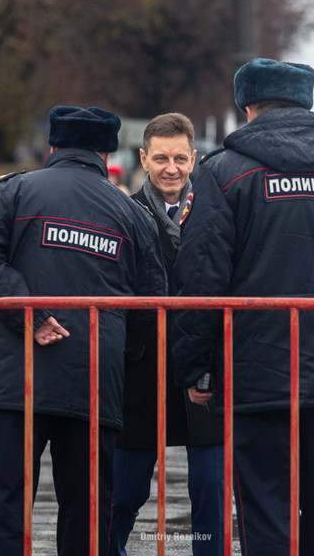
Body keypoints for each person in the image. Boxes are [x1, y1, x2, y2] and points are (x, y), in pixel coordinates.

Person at [171, 58, 314, 555]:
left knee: (263, 504)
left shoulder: (223, 173)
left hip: (252, 374)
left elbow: (200, 277)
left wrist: (195, 368)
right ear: (307, 101)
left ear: (248, 105)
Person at [0, 106, 167, 556]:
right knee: (88, 509)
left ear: (52, 146)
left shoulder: (14, 191)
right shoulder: (132, 215)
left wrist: (30, 316)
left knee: (6, 502)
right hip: (94, 380)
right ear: (105, 152)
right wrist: (119, 352)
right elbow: (152, 301)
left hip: (17, 381)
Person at [110, 113, 223, 556]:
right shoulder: (123, 212)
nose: (170, 168)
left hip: (205, 372)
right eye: (160, 158)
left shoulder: (217, 214)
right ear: (144, 158)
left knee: (210, 491)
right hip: (142, 370)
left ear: (194, 158)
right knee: (125, 492)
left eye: (179, 157)